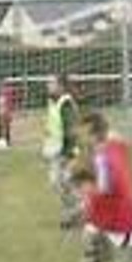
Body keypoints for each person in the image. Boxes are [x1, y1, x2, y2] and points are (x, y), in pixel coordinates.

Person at [66, 112, 132, 262]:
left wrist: (86, 194)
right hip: (130, 206)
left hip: (119, 215)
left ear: (93, 134)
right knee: (91, 231)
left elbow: (105, 189)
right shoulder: (113, 144)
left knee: (128, 242)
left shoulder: (102, 157)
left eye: (85, 133)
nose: (82, 138)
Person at [42, 72, 82, 229]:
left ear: (61, 86)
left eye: (51, 83)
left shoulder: (66, 104)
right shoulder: (53, 102)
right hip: (57, 152)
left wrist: (69, 152)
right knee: (57, 183)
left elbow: (71, 130)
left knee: (66, 182)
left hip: (67, 152)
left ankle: (77, 212)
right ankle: (74, 211)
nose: (48, 85)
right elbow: (53, 128)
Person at [0, 78, 17, 148]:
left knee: (5, 124)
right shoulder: (2, 93)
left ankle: (5, 138)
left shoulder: (7, 91)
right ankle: (1, 137)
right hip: (3, 110)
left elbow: (9, 102)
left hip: (6, 111)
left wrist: (8, 110)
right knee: (1, 124)